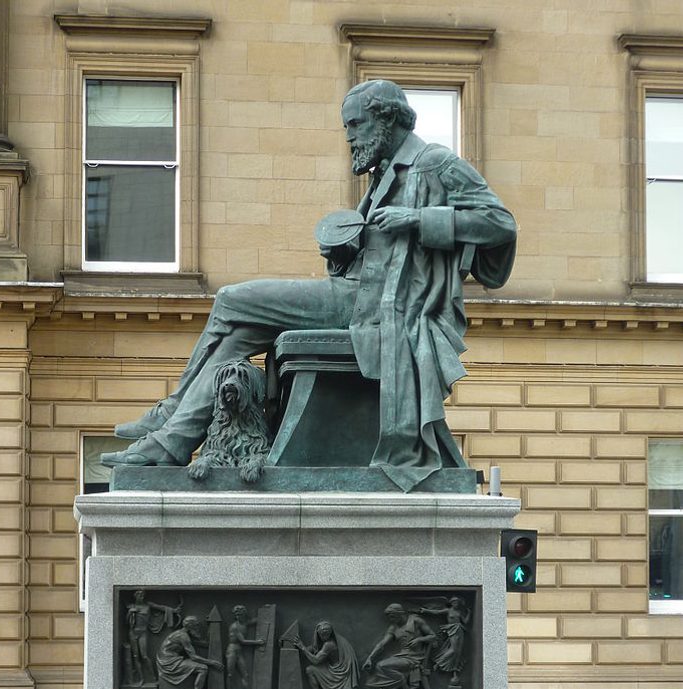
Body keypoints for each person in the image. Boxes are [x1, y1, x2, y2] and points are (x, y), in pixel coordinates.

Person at [102, 79, 516, 490]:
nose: (350, 137)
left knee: (231, 300)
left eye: (355, 125)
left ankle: (171, 414)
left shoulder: (434, 163)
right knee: (240, 331)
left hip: (375, 308)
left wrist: (419, 220)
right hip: (355, 293)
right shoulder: (382, 177)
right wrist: (346, 250)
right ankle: (171, 439)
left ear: (386, 119)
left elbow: (500, 225)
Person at [359, 603, 437, 689]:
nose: (391, 620)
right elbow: (382, 644)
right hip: (402, 656)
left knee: (382, 666)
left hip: (415, 657)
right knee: (381, 666)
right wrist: (370, 658)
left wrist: (419, 639)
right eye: (389, 617)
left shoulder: (415, 620)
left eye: (392, 616)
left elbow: (432, 636)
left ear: (400, 614)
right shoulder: (393, 627)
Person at [155, 615, 223, 689]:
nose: (198, 628)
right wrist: (213, 663)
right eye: (196, 626)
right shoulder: (183, 636)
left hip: (168, 658)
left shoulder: (181, 634)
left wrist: (210, 636)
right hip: (169, 662)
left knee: (201, 666)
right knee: (203, 668)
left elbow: (198, 643)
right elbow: (193, 657)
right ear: (190, 626)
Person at [295, 620, 359, 689]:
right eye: (322, 634)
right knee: (310, 670)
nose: (324, 636)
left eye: (326, 634)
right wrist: (293, 645)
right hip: (335, 670)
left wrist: (302, 647)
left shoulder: (329, 644)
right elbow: (313, 649)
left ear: (330, 632)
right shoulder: (330, 640)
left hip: (340, 675)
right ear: (318, 633)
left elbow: (316, 660)